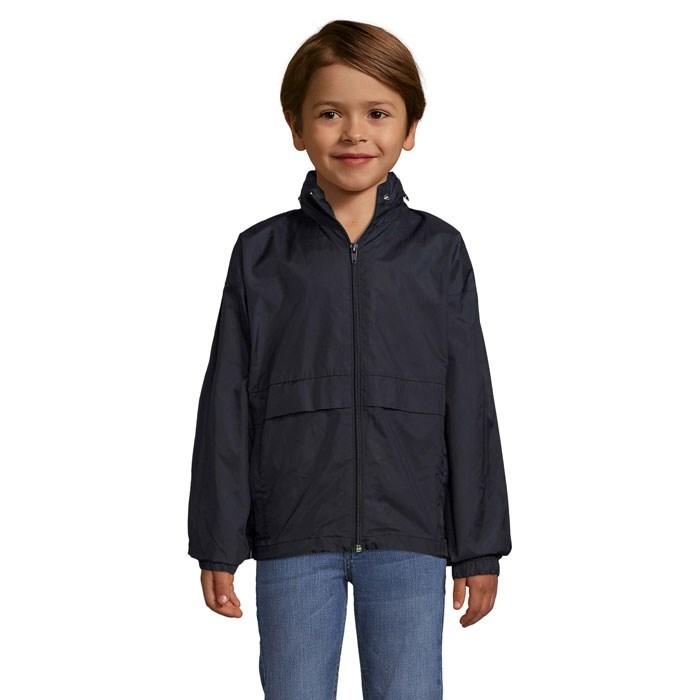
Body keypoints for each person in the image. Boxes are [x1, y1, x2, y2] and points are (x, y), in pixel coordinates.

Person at [187, 19, 512, 700]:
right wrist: (217, 540)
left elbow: (469, 400)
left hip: (410, 531)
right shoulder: (261, 255)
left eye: (378, 113)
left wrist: (479, 545)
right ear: (296, 126)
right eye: (330, 113)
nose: (355, 133)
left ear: (411, 128)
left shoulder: (439, 252)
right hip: (294, 532)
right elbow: (226, 404)